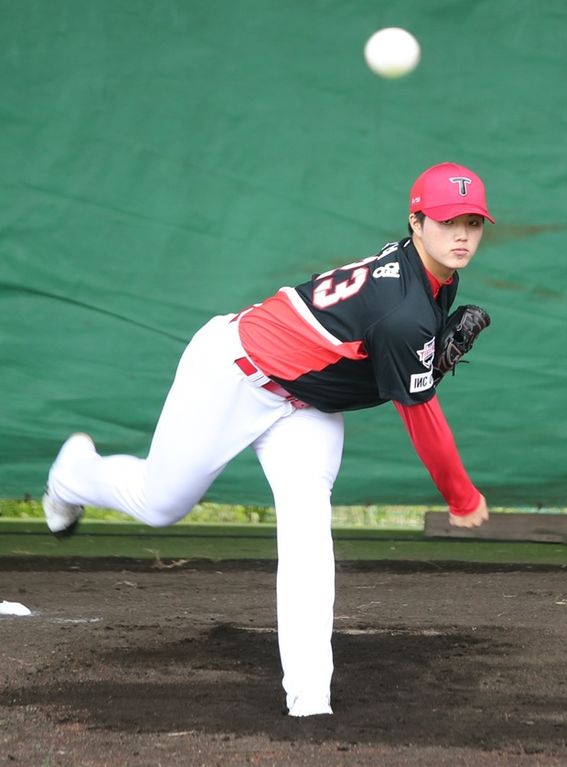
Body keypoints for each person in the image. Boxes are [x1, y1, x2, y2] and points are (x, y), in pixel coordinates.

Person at [43, 161, 493, 718]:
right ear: (416, 222)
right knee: (159, 504)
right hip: (233, 373)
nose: (461, 234)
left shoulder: (431, 275)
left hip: (306, 408)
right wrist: (460, 496)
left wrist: (425, 364)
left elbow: (376, 359)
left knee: (308, 532)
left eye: (472, 222)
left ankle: (309, 697)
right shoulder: (406, 308)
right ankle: (73, 473)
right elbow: (419, 414)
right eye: (447, 221)